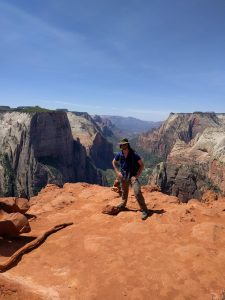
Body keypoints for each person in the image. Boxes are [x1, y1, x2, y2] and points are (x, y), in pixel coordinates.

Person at [112, 138, 149, 220]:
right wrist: (118, 172)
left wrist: (137, 176)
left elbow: (142, 165)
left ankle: (145, 210)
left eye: (124, 144)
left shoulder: (134, 154)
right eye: (121, 145)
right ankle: (123, 204)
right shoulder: (119, 154)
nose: (122, 146)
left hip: (132, 176)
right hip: (123, 176)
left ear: (127, 145)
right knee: (124, 192)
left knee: (137, 192)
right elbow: (113, 162)